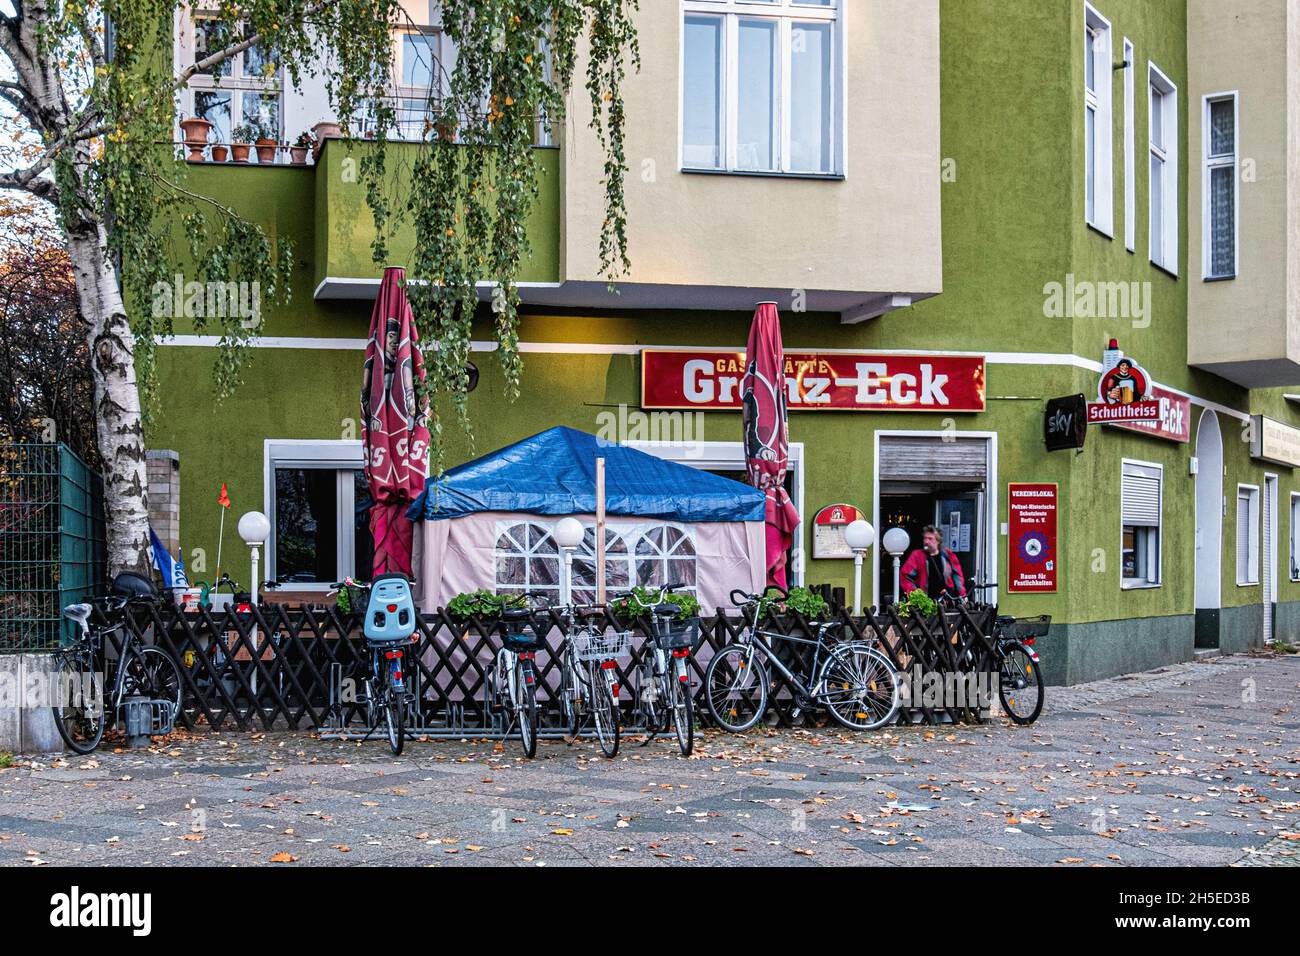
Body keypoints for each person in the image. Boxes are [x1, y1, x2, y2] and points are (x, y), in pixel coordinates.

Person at [899, 525, 966, 600]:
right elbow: (905, 576)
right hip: (926, 600)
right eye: (925, 538)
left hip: (947, 599)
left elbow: (957, 576)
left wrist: (962, 595)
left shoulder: (948, 555)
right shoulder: (917, 555)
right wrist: (916, 595)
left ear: (938, 541)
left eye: (930, 539)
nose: (926, 541)